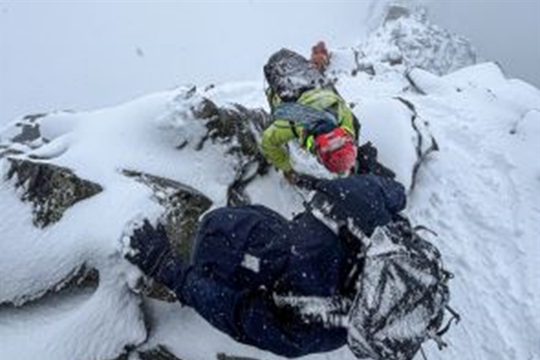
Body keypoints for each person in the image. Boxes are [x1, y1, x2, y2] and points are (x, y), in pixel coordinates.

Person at [124, 174, 408, 358]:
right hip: (249, 249)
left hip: (241, 250)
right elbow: (238, 314)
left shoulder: (310, 316)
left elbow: (235, 312)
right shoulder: (329, 325)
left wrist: (169, 270)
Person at [260, 48, 360, 184]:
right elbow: (268, 142)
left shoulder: (341, 112)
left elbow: (351, 123)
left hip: (305, 75)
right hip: (282, 76)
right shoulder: (290, 123)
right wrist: (287, 168)